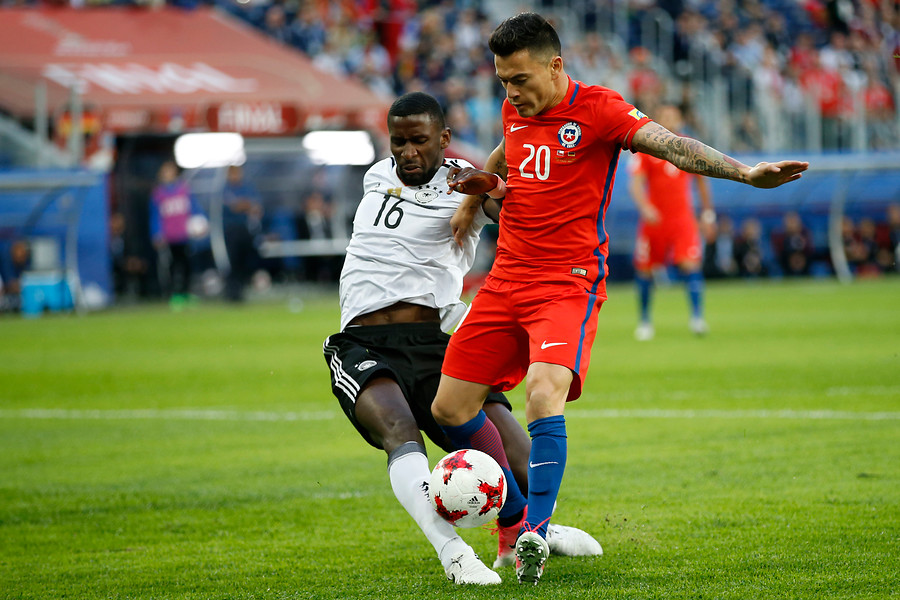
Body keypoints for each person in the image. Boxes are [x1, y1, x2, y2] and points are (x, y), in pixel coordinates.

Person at [430, 13, 809, 585]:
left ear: (555, 65)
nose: (511, 93)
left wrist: (744, 173)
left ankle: (535, 531)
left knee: (543, 393)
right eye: (503, 81)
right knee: (449, 410)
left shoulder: (600, 109)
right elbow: (506, 151)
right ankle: (514, 522)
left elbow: (673, 146)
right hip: (506, 278)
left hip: (567, 282)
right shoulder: (516, 107)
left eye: (521, 79)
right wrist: (469, 201)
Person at [321, 92, 600, 587]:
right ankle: (453, 553)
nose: (407, 152)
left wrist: (488, 191)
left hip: (437, 341)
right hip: (363, 342)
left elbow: (507, 206)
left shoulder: (467, 183)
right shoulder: (376, 176)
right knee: (400, 432)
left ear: (444, 138)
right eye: (398, 141)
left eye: (419, 140)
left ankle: (529, 531)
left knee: (520, 458)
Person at [627, 103, 715, 341]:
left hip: (682, 219)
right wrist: (645, 207)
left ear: (679, 120)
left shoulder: (690, 146)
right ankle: (645, 321)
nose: (668, 120)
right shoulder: (646, 148)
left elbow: (702, 182)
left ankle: (697, 318)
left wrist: (707, 214)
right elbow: (635, 184)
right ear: (657, 120)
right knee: (645, 269)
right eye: (664, 116)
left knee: (690, 265)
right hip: (655, 221)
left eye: (672, 116)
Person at [149, 161, 203, 310]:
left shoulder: (184, 190)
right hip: (169, 237)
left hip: (184, 235)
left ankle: (186, 293)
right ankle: (174, 294)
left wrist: (201, 222)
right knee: (172, 266)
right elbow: (155, 216)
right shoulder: (158, 194)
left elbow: (194, 208)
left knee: (187, 265)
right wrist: (156, 233)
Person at [221, 164, 263, 302]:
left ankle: (242, 289)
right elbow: (234, 206)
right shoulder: (225, 189)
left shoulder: (247, 187)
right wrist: (247, 205)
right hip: (230, 230)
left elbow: (257, 207)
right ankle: (232, 291)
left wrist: (245, 205)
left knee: (246, 260)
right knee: (232, 262)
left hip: (246, 229)